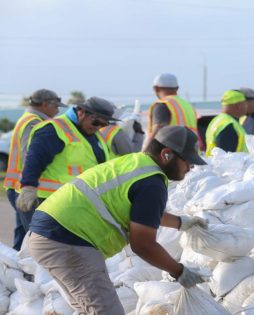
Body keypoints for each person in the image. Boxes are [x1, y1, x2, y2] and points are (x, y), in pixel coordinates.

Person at [28, 126, 208, 314]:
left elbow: (144, 214)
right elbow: (143, 245)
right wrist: (179, 271)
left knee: (88, 308)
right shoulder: (152, 182)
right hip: (66, 240)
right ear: (167, 154)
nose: (190, 168)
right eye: (187, 161)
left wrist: (182, 222)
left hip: (50, 233)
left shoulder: (137, 163)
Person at [15, 97, 116, 228]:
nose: (98, 127)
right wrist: (28, 187)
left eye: (104, 125)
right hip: (46, 202)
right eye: (96, 122)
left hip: (74, 203)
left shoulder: (94, 135)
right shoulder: (53, 129)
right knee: (43, 247)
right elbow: (34, 159)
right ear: (81, 112)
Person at [3, 89, 67, 250]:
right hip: (24, 186)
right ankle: (29, 273)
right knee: (37, 239)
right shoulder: (34, 123)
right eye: (55, 106)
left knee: (24, 236)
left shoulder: (28, 118)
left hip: (17, 185)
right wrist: (29, 185)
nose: (58, 110)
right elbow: (29, 155)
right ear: (44, 104)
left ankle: (20, 272)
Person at [144, 73, 199, 149]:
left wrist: (144, 152)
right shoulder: (188, 106)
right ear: (177, 88)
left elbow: (157, 131)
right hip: (191, 155)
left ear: (156, 89)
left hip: (171, 155)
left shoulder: (162, 104)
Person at [205, 90, 248, 156]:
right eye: (245, 103)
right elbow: (226, 157)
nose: (247, 106)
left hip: (215, 164)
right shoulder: (229, 125)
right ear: (238, 105)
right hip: (230, 165)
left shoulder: (216, 120)